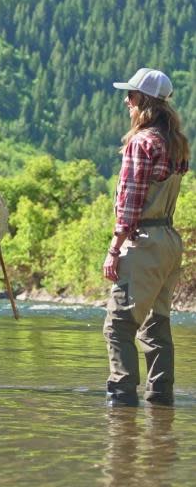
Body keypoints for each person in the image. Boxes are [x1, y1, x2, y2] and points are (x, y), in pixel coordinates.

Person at [103, 68, 190, 407]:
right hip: (169, 241)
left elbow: (129, 204)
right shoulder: (177, 143)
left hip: (143, 241)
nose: (126, 101)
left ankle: (121, 404)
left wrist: (114, 249)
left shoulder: (141, 143)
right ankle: (160, 403)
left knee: (118, 326)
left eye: (131, 95)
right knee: (156, 328)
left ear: (142, 101)